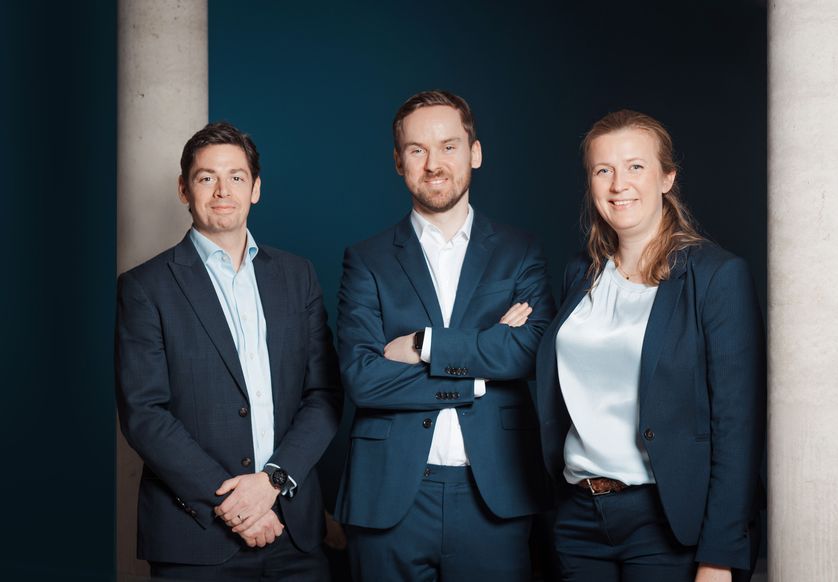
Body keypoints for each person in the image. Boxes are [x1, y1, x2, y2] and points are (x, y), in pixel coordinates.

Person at [334, 90, 555, 581]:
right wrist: (478, 374)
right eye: (417, 150)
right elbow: (363, 378)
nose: (433, 164)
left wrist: (423, 345)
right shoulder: (367, 260)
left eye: (448, 146)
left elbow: (529, 351)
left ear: (475, 153)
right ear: (398, 162)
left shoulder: (520, 251)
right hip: (389, 496)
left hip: (496, 492)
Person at [535, 110, 765, 582]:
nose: (619, 184)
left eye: (635, 166)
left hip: (668, 522)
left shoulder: (717, 276)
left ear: (667, 178)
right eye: (603, 170)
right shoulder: (580, 273)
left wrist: (719, 556)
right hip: (578, 519)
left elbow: (738, 426)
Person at [115, 122, 342, 581]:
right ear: (184, 189)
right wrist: (237, 506)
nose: (223, 191)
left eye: (236, 177)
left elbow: (324, 395)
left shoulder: (297, 277)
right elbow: (145, 413)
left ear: (255, 189)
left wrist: (273, 481)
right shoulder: (144, 287)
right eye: (207, 177)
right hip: (194, 538)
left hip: (294, 532)